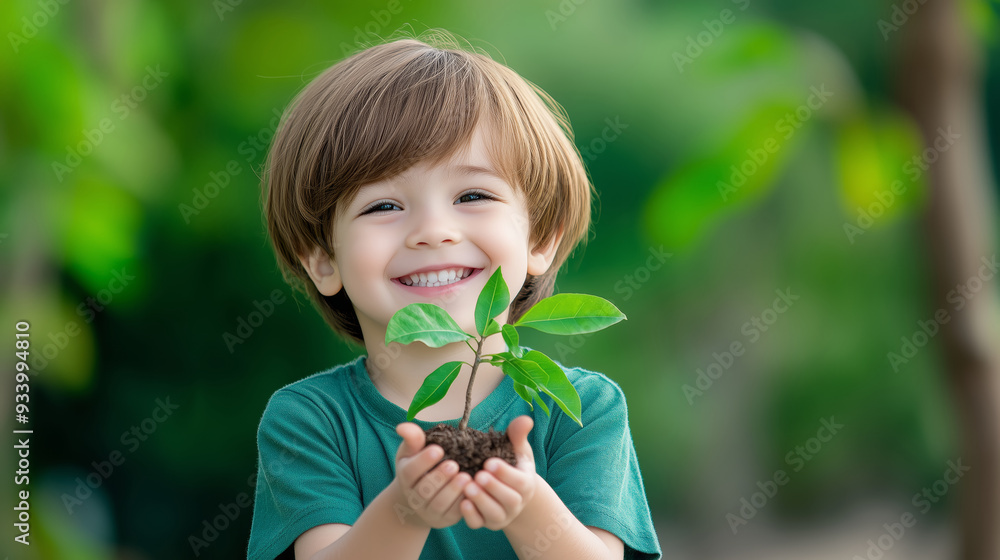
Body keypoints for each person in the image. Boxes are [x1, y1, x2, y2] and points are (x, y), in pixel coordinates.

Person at [248, 29, 661, 560]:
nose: (434, 230)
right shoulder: (311, 419)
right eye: (383, 206)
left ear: (539, 239)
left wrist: (525, 501)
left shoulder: (576, 408)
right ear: (323, 259)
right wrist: (408, 509)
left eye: (472, 194)